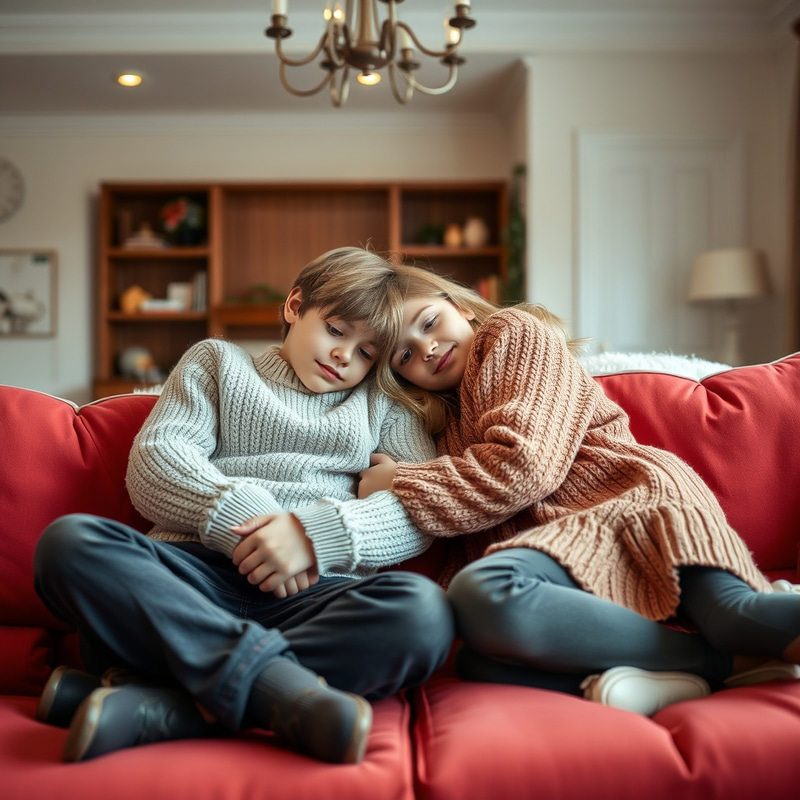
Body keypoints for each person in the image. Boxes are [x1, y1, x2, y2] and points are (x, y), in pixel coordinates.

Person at [33, 247, 454, 764]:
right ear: (295, 306)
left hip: (307, 596)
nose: (346, 357)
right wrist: (243, 516)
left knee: (425, 613)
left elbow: (417, 510)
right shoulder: (215, 362)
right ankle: (281, 694)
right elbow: (156, 461)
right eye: (337, 331)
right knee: (70, 544)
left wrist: (311, 535)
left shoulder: (383, 404)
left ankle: (176, 706)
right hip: (189, 582)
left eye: (368, 352)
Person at [358, 263, 800, 716]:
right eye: (404, 356)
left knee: (733, 616)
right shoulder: (438, 428)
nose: (427, 349)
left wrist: (399, 481)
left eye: (429, 322)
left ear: (462, 308)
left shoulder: (512, 335)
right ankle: (714, 666)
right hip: (554, 548)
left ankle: (714, 659)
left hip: (629, 504)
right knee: (480, 658)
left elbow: (523, 467)